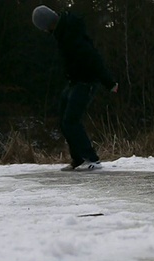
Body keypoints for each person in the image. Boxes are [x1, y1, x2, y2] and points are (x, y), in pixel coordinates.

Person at [32, 5, 118, 171]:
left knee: (71, 121)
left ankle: (92, 159)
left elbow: (94, 58)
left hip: (86, 82)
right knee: (64, 119)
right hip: (75, 81)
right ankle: (77, 158)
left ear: (46, 25)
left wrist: (109, 82)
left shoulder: (71, 34)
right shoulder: (62, 31)